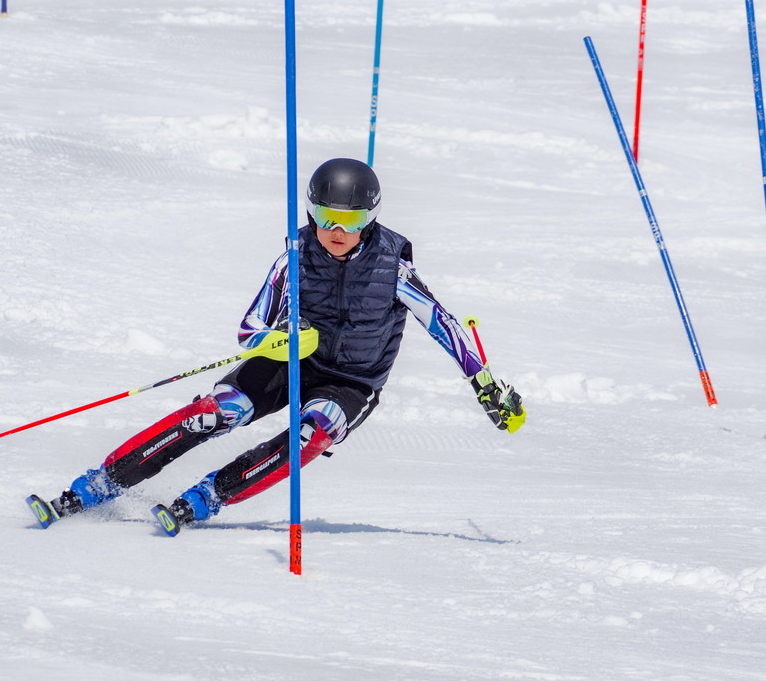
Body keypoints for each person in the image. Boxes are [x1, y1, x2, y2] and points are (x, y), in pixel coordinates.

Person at [27, 157, 525, 535]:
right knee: (216, 412)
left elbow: (441, 323)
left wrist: (485, 386)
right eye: (327, 217)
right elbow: (248, 331)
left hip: (351, 382)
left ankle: (208, 497)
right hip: (291, 360)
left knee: (315, 431)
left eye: (350, 221)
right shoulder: (294, 257)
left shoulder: (393, 267)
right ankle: (99, 484)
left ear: (369, 219)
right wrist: (281, 339)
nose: (336, 232)